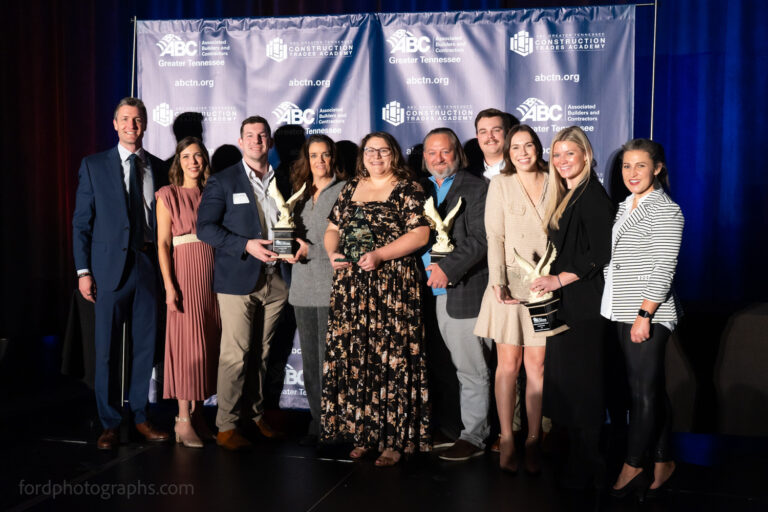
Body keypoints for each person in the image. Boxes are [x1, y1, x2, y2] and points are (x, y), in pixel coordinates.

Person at [321, 131, 431, 466]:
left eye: (383, 151)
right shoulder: (352, 186)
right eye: (370, 151)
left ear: (394, 154)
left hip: (392, 285)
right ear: (362, 155)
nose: (376, 156)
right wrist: (332, 254)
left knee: (392, 358)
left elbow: (421, 233)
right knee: (361, 358)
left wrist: (381, 255)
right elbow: (332, 229)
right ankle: (364, 434)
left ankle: (395, 441)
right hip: (353, 286)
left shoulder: (407, 186)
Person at [72, 97, 170, 449]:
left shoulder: (160, 167)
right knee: (106, 351)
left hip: (147, 267)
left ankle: (141, 417)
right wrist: (83, 270)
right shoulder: (94, 165)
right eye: (125, 119)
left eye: (138, 119)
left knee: (146, 347)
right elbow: (82, 222)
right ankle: (110, 422)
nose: (132, 125)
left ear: (145, 124)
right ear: (115, 124)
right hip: (107, 270)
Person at [475, 125, 566, 474]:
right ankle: (507, 437)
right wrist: (498, 281)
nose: (523, 152)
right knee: (508, 366)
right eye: (516, 147)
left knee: (537, 367)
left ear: (539, 148)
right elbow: (494, 235)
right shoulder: (501, 184)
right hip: (509, 286)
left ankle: (532, 438)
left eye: (529, 145)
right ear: (509, 153)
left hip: (545, 287)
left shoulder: (556, 179)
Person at [197, 116, 288, 450]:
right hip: (238, 279)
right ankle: (225, 425)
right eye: (250, 135)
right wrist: (245, 244)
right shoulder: (223, 181)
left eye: (262, 135)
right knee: (235, 355)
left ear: (270, 142)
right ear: (240, 141)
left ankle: (253, 414)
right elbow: (205, 227)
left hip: (277, 280)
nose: (256, 140)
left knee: (262, 355)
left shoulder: (286, 179)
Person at [530, 126, 614, 489]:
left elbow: (601, 253)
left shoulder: (592, 195)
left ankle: (590, 465)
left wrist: (558, 280)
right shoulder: (569, 194)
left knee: (585, 384)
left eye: (570, 154)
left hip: (584, 304)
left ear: (586, 155)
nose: (563, 162)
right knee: (569, 383)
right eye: (558, 155)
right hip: (567, 303)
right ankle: (576, 463)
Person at [601, 139, 683, 499]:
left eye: (640, 166)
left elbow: (664, 267)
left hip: (647, 312)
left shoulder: (665, 210)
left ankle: (633, 465)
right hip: (621, 309)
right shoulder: (625, 205)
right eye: (626, 166)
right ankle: (663, 458)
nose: (632, 173)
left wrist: (644, 315)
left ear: (658, 169)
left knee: (642, 393)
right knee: (646, 387)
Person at [418, 128, 491, 462]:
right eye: (432, 153)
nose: (438, 159)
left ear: (457, 153)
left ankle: (474, 436)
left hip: (463, 289)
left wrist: (448, 269)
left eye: (445, 152)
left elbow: (481, 240)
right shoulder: (420, 190)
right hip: (428, 293)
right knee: (447, 367)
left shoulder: (476, 188)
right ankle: (453, 429)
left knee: (471, 368)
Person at [155, 137, 220, 448]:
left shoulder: (213, 193)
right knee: (187, 347)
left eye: (198, 156)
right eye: (186, 157)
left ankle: (198, 415)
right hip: (185, 276)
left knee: (207, 345)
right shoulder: (168, 195)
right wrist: (170, 285)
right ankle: (182, 418)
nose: (193, 161)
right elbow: (163, 244)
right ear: (177, 162)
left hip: (213, 279)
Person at [286, 134, 347, 446]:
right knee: (310, 359)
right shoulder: (298, 193)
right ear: (306, 159)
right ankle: (318, 417)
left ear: (332, 158)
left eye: (324, 155)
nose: (319, 161)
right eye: (313, 155)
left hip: (331, 286)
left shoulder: (345, 190)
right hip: (301, 286)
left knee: (331, 358)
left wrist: (314, 252)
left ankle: (337, 418)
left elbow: (350, 240)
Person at [472, 108, 514, 181]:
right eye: (483, 132)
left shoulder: (521, 170)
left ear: (507, 133)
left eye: (496, 130)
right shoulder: (468, 175)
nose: (490, 136)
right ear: (477, 136)